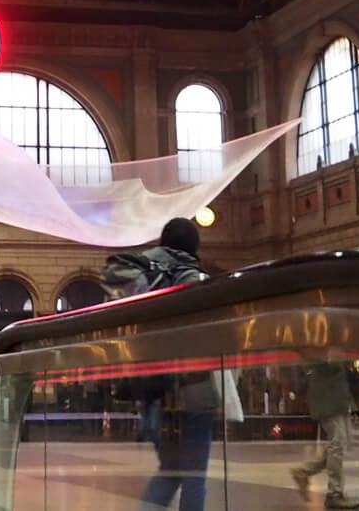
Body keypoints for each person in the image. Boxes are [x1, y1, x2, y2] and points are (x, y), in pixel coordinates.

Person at [103, 218, 234, 511]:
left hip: (153, 393)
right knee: (193, 477)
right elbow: (205, 333)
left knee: (171, 471)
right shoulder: (190, 276)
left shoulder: (144, 274)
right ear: (194, 247)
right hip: (193, 391)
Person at [292, 359, 359, 509]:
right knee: (338, 443)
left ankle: (303, 471)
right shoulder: (324, 342)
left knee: (341, 443)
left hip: (338, 397)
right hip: (328, 398)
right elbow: (332, 362)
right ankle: (335, 493)